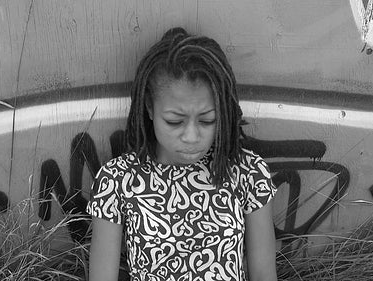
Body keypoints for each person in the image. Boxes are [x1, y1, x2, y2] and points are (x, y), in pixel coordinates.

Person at [87, 27, 277, 281]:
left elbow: (264, 274)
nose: (191, 136)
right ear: (149, 108)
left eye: (207, 121)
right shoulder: (118, 179)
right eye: (175, 121)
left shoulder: (248, 173)